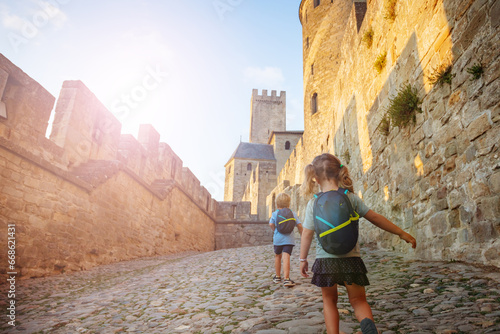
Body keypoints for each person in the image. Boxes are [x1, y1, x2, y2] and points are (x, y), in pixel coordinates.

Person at [299, 153, 416, 334]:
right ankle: (369, 328)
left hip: (326, 261)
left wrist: (302, 259)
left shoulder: (313, 203)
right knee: (359, 301)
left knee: (329, 301)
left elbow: (306, 234)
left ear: (314, 177)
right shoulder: (350, 198)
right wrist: (401, 233)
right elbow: (375, 218)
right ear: (339, 172)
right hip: (351, 259)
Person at [269, 192, 303, 287]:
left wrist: (275, 230)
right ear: (288, 204)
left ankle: (277, 276)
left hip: (278, 239)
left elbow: (271, 224)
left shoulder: (275, 213)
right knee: (286, 256)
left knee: (277, 256)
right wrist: (302, 233)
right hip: (289, 239)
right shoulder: (292, 213)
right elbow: (299, 225)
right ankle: (287, 279)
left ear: (277, 204)